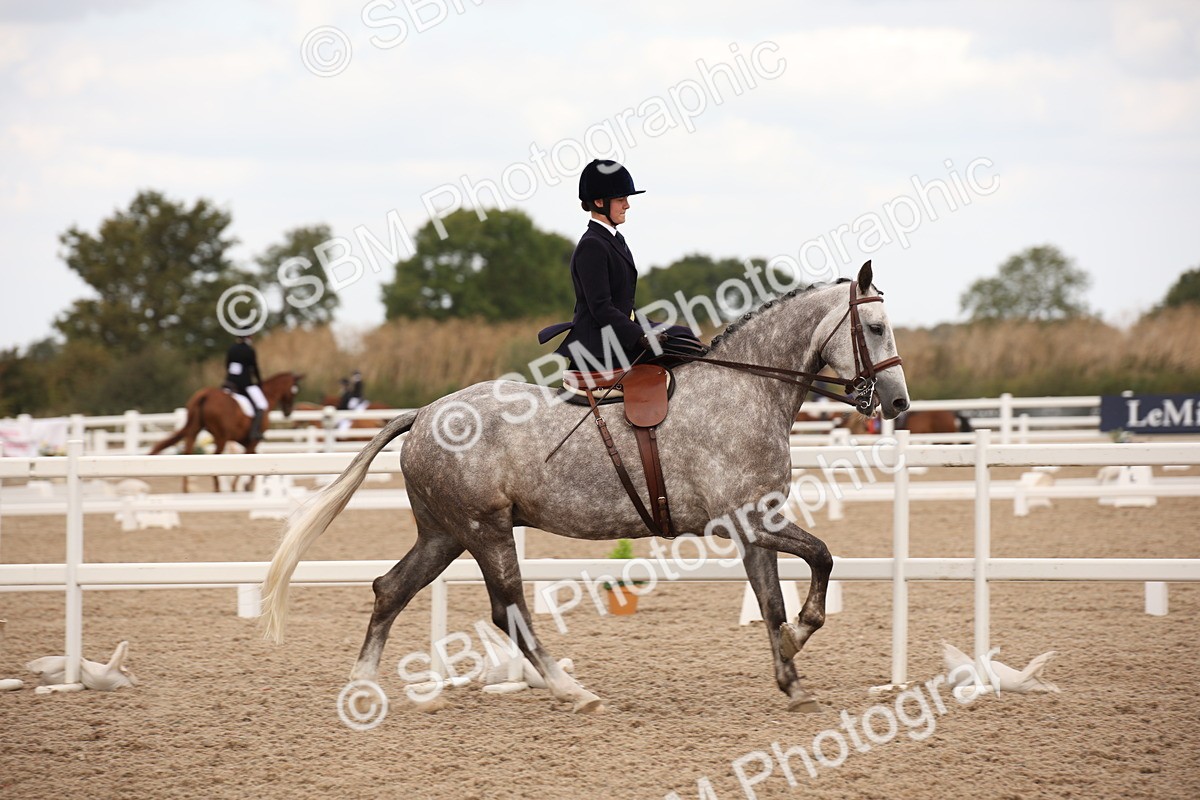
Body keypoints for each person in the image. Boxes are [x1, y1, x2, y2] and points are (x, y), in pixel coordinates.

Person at [539, 159, 704, 374]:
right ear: (599, 202)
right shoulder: (592, 245)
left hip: (619, 331)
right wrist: (639, 335)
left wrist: (650, 326)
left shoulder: (615, 240)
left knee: (686, 337)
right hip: (600, 344)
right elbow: (601, 308)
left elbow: (625, 306)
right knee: (682, 348)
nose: (627, 205)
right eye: (621, 199)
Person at [224, 334, 267, 443]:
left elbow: (227, 365)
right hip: (244, 385)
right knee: (261, 404)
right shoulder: (249, 350)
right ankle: (254, 431)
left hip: (229, 382)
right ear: (249, 337)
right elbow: (254, 367)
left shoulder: (232, 349)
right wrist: (259, 381)